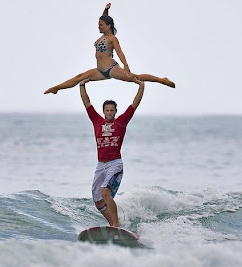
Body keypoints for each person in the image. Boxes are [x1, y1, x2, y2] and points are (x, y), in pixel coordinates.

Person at [44, 3, 174, 95]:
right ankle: (57, 88)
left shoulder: (112, 38)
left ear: (108, 26)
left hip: (112, 69)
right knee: (79, 77)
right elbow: (104, 18)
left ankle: (162, 80)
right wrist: (106, 10)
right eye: (98, 25)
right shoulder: (102, 36)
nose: (98, 27)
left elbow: (120, 52)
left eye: (100, 25)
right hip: (99, 71)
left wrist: (126, 65)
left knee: (136, 77)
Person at [79, 77, 144, 227]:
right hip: (100, 165)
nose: (109, 112)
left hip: (115, 164)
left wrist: (141, 87)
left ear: (116, 111)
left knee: (104, 191)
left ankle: (115, 226)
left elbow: (134, 104)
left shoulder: (121, 121)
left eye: (112, 110)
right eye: (107, 110)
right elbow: (87, 103)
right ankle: (113, 225)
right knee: (98, 200)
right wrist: (82, 85)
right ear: (103, 112)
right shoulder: (96, 121)